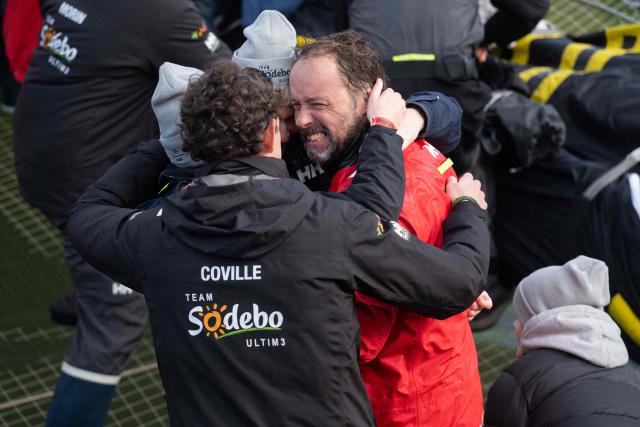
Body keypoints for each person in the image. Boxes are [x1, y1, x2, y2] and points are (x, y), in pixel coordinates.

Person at [66, 58, 490, 426]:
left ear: (191, 145)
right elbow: (457, 280)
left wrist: (162, 148)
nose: (301, 122)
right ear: (273, 131)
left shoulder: (152, 236)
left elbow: (87, 214)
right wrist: (467, 209)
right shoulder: (330, 224)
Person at [12, 0, 230, 425]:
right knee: (114, 323)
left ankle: (92, 283)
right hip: (82, 178)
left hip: (40, 156)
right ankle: (99, 292)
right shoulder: (163, 13)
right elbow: (235, 78)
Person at [289, 30, 488, 426]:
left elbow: (357, 339)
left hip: (406, 405)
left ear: (367, 98)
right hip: (440, 385)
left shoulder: (380, 190)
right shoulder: (405, 149)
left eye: (317, 104)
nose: (300, 120)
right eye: (295, 105)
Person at [484, 256, 640, 427]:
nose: (515, 323)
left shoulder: (521, 380)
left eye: (521, 316)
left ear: (537, 320)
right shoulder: (630, 374)